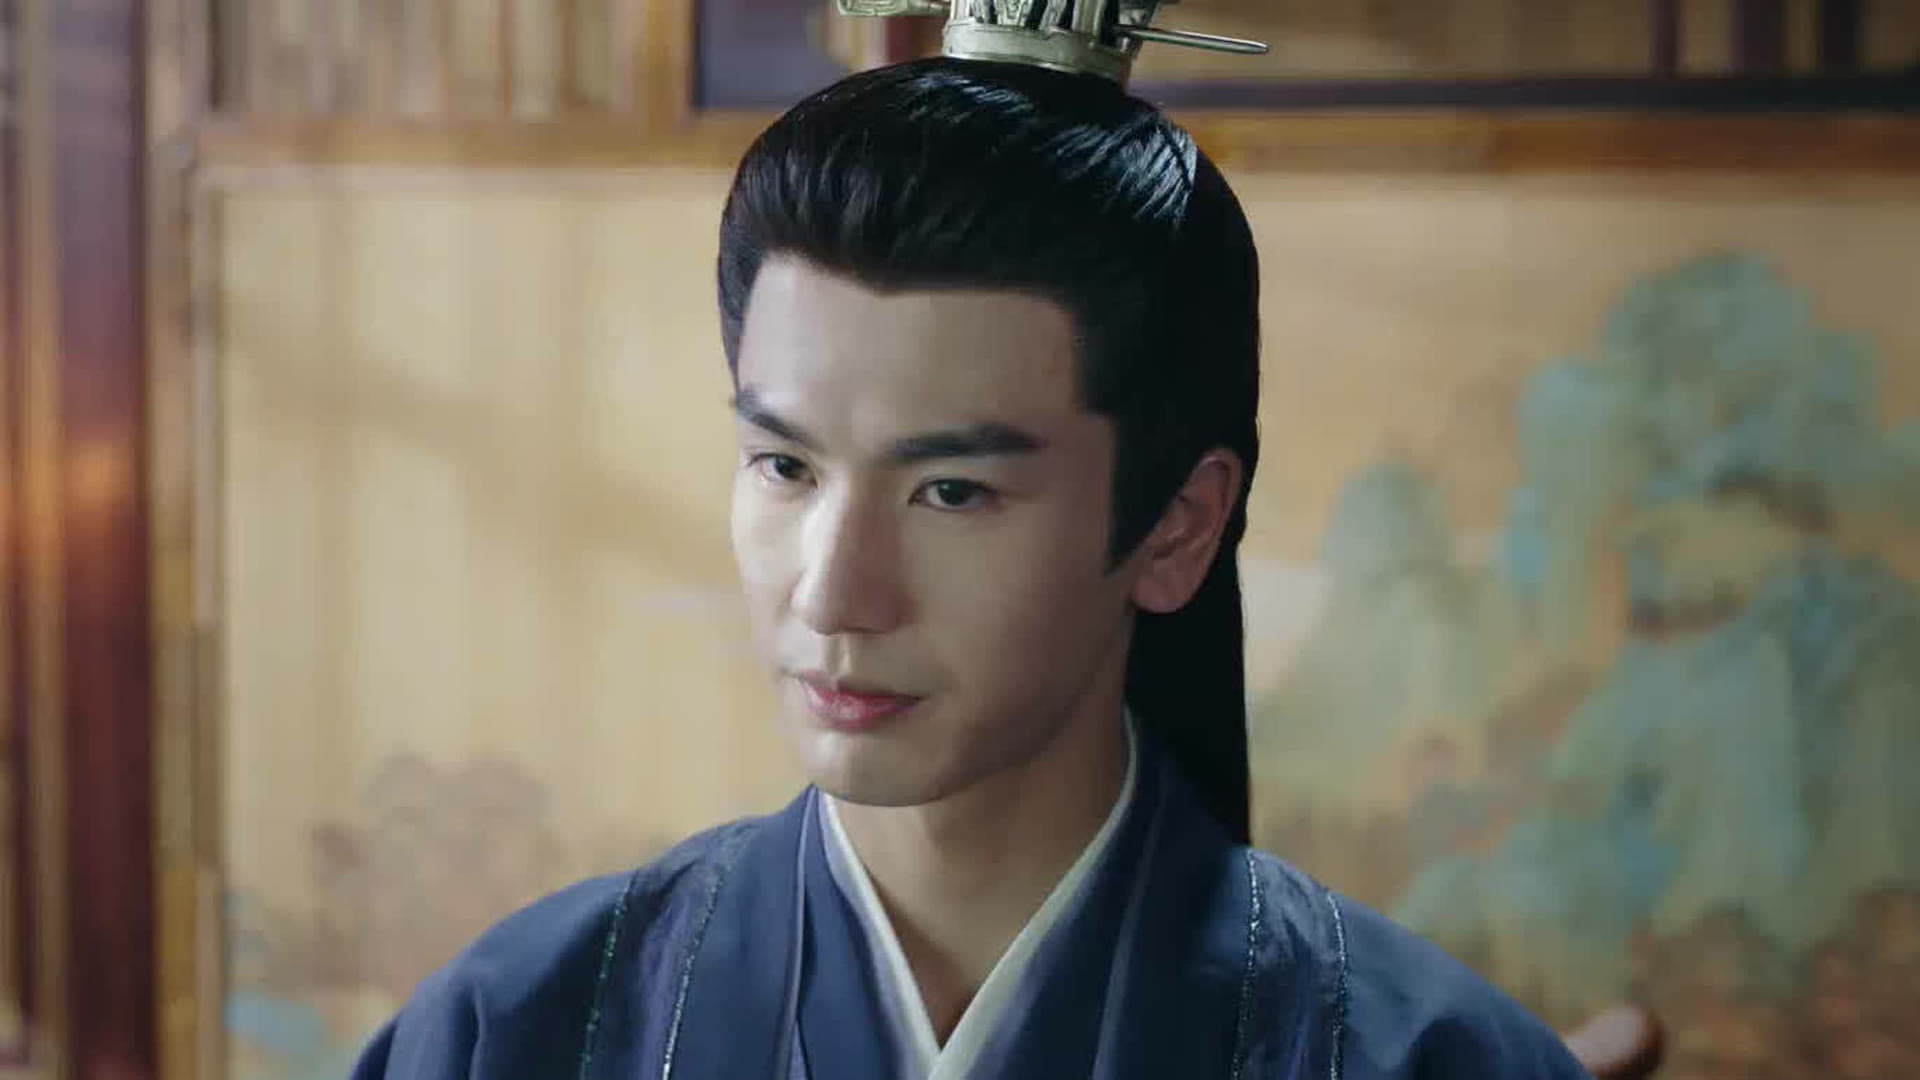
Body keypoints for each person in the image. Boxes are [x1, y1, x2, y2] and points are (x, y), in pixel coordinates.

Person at [350, 32, 1597, 1080]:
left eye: (952, 490)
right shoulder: (516, 1033)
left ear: (1177, 526)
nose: (835, 593)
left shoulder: (1424, 1060)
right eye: (785, 467)